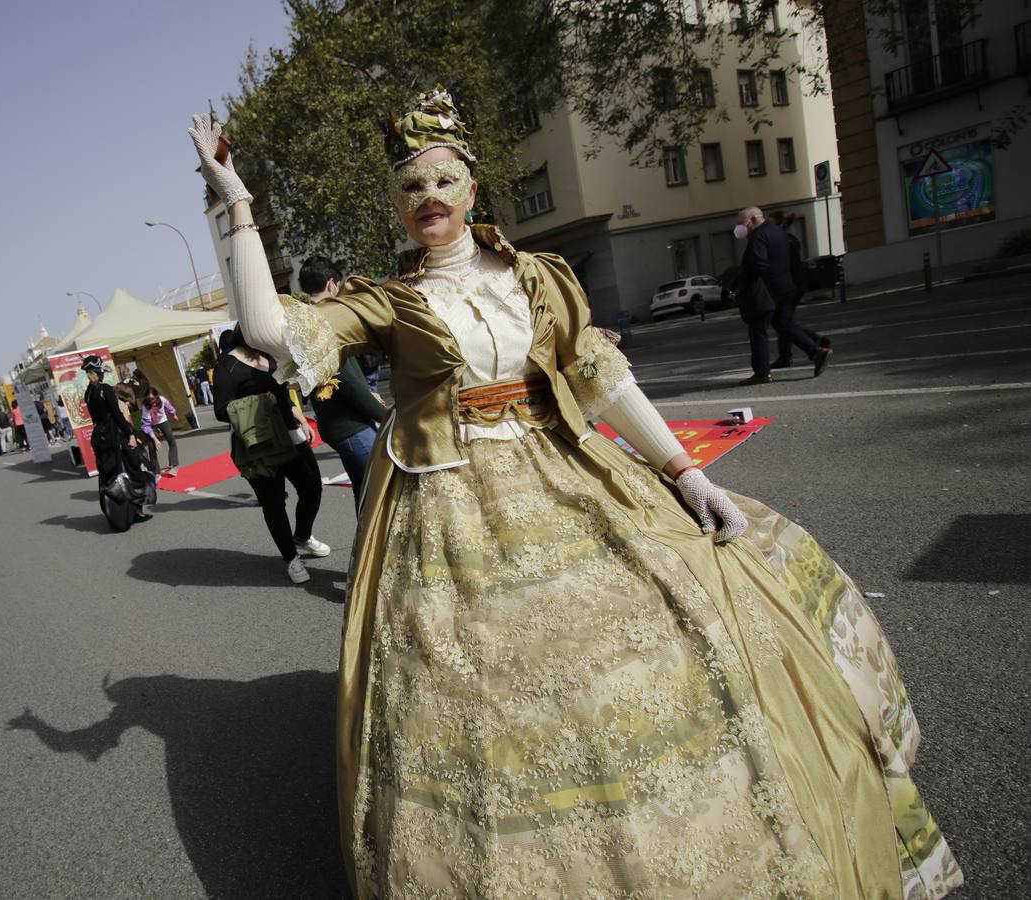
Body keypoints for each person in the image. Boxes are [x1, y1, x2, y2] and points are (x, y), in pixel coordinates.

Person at [188, 92, 960, 898]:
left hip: (563, 467)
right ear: (396, 205)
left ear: (472, 189)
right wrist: (234, 202)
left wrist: (683, 470)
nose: (430, 200)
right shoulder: (386, 299)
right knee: (485, 690)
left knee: (666, 629)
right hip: (444, 496)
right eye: (412, 189)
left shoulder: (542, 278)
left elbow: (600, 377)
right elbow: (271, 332)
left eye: (444, 181)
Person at [212, 328, 327, 584]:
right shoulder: (227, 366)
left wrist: (302, 420)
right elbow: (221, 410)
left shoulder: (268, 356)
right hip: (258, 443)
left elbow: (284, 393)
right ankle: (291, 558)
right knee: (274, 503)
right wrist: (260, 402)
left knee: (312, 487)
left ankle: (303, 535)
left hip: (290, 436)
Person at [297, 255, 389, 509]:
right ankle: (375, 547)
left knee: (365, 492)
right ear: (331, 284)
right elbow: (350, 384)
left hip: (334, 420)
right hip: (349, 424)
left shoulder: (303, 320)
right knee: (381, 495)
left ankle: (366, 547)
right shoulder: (323, 322)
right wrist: (388, 415)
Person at [733, 206, 830, 384]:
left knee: (758, 329)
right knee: (782, 323)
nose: (739, 227)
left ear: (752, 220)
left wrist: (742, 281)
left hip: (767, 291)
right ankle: (816, 349)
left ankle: (762, 373)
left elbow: (758, 265)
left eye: (741, 223)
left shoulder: (758, 237)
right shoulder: (777, 232)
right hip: (786, 286)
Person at [83, 356, 155, 523]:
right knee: (132, 470)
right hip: (115, 435)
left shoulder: (88, 393)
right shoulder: (105, 390)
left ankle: (117, 516)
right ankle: (136, 511)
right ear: (99, 373)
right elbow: (116, 415)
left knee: (110, 476)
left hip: (100, 438)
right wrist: (130, 433)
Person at [768, 209, 831, 371]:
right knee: (783, 321)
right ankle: (791, 353)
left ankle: (814, 349)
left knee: (781, 321)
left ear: (780, 224)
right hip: (795, 285)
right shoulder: (790, 239)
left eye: (770, 222)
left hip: (789, 287)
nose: (768, 225)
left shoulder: (782, 242)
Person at [140, 387, 180, 476]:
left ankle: (173, 465)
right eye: (149, 399)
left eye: (153, 399)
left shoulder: (162, 400)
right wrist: (155, 439)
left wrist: (173, 414)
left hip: (162, 420)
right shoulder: (145, 407)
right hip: (150, 425)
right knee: (151, 446)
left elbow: (169, 407)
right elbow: (146, 425)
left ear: (156, 396)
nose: (151, 401)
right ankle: (156, 471)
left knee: (171, 439)